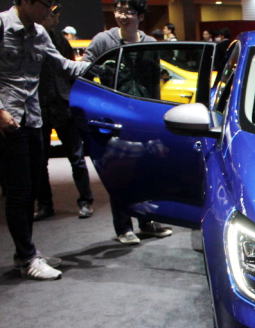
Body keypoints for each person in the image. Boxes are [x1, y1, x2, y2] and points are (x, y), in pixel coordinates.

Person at [0, 0, 91, 280]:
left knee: (31, 190)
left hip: (34, 118)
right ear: (25, 1)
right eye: (44, 4)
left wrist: (98, 65)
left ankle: (26, 254)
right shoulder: (2, 24)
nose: (48, 12)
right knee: (18, 192)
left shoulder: (40, 32)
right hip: (8, 122)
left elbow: (63, 65)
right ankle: (27, 257)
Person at [82, 0, 173, 245]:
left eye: (129, 12)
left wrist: (156, 112)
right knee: (119, 171)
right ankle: (123, 227)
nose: (123, 16)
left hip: (143, 113)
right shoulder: (103, 40)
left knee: (146, 169)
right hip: (115, 114)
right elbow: (85, 70)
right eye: (119, 11)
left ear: (140, 17)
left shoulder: (149, 43)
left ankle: (147, 221)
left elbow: (154, 79)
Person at [35, 3, 94, 221]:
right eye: (53, 15)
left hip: (63, 104)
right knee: (40, 161)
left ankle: (86, 201)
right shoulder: (31, 37)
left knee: (76, 157)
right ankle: (45, 204)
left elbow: (71, 70)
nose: (55, 19)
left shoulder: (60, 40)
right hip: (40, 105)